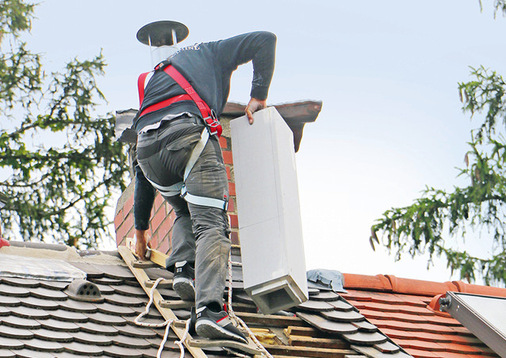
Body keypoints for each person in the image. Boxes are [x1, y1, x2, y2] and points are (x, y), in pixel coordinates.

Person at [132, 30, 276, 343]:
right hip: (188, 135)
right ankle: (211, 311)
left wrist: (141, 229)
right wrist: (258, 96)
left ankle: (184, 269)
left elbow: (140, 174)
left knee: (186, 208)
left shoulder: (157, 80)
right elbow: (265, 39)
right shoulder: (213, 52)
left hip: (147, 152)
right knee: (211, 223)